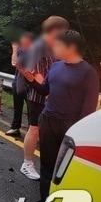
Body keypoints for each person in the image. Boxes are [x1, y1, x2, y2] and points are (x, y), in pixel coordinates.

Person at [23, 30, 99, 202]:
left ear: (71, 47)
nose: (53, 48)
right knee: (47, 165)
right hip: (48, 121)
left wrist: (78, 133)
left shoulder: (88, 73)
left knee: (66, 169)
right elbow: (45, 90)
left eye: (57, 45)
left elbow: (88, 110)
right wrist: (31, 80)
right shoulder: (56, 66)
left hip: (70, 126)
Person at [19, 16, 69, 180]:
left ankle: (50, 165)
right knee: (34, 129)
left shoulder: (54, 46)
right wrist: (47, 92)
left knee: (50, 131)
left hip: (52, 94)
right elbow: (35, 73)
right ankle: (27, 164)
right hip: (38, 94)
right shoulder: (39, 47)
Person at [6, 32, 34, 137]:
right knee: (17, 106)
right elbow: (13, 63)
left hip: (30, 84)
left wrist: (14, 48)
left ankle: (32, 131)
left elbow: (15, 62)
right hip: (18, 81)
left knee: (31, 109)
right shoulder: (21, 50)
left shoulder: (33, 52)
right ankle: (15, 127)